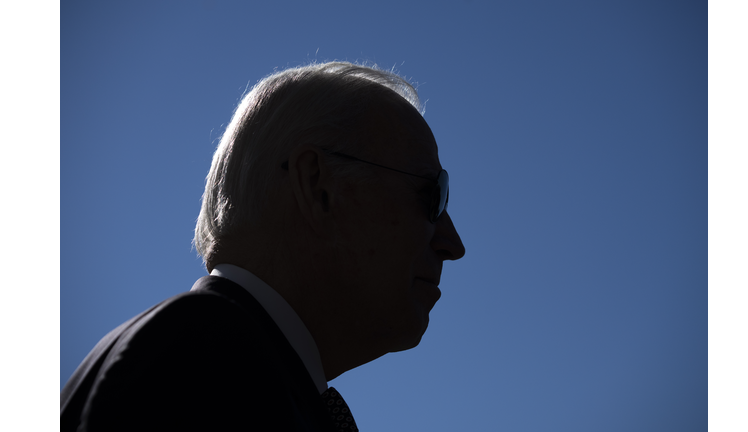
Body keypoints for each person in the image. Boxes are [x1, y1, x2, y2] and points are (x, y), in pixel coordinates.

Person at [60, 62, 465, 431]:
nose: (453, 243)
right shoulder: (199, 369)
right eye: (432, 197)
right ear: (318, 188)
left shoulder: (218, 364)